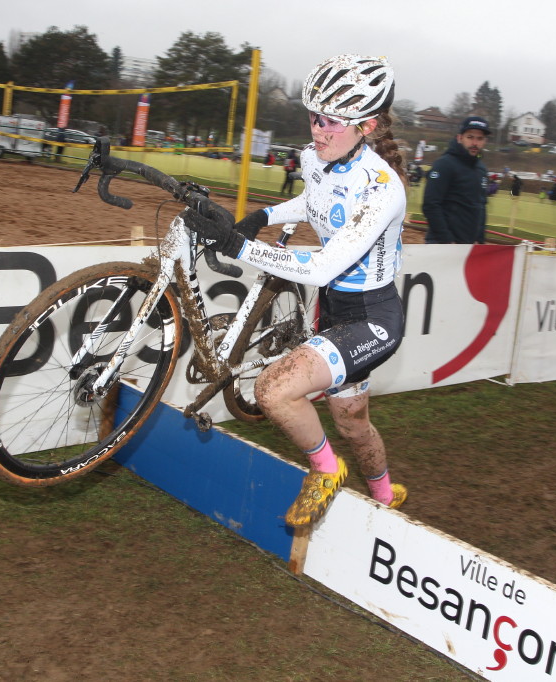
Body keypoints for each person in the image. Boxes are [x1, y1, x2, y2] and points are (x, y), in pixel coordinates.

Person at [182, 54, 408, 527]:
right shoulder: (315, 158)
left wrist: (239, 244)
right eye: (314, 118)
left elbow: (324, 265)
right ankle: (386, 496)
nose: (318, 131)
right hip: (333, 310)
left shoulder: (382, 189)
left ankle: (327, 471)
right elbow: (313, 200)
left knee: (274, 389)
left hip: (372, 317)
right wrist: (264, 216)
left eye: (331, 122)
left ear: (366, 126)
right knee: (352, 422)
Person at [422, 115, 491, 244]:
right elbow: (431, 205)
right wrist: (447, 241)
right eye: (470, 137)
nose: (475, 143)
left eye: (480, 138)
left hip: (468, 247)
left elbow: (481, 206)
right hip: (442, 245)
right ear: (460, 138)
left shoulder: (481, 169)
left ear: (484, 141)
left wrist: (479, 240)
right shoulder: (444, 164)